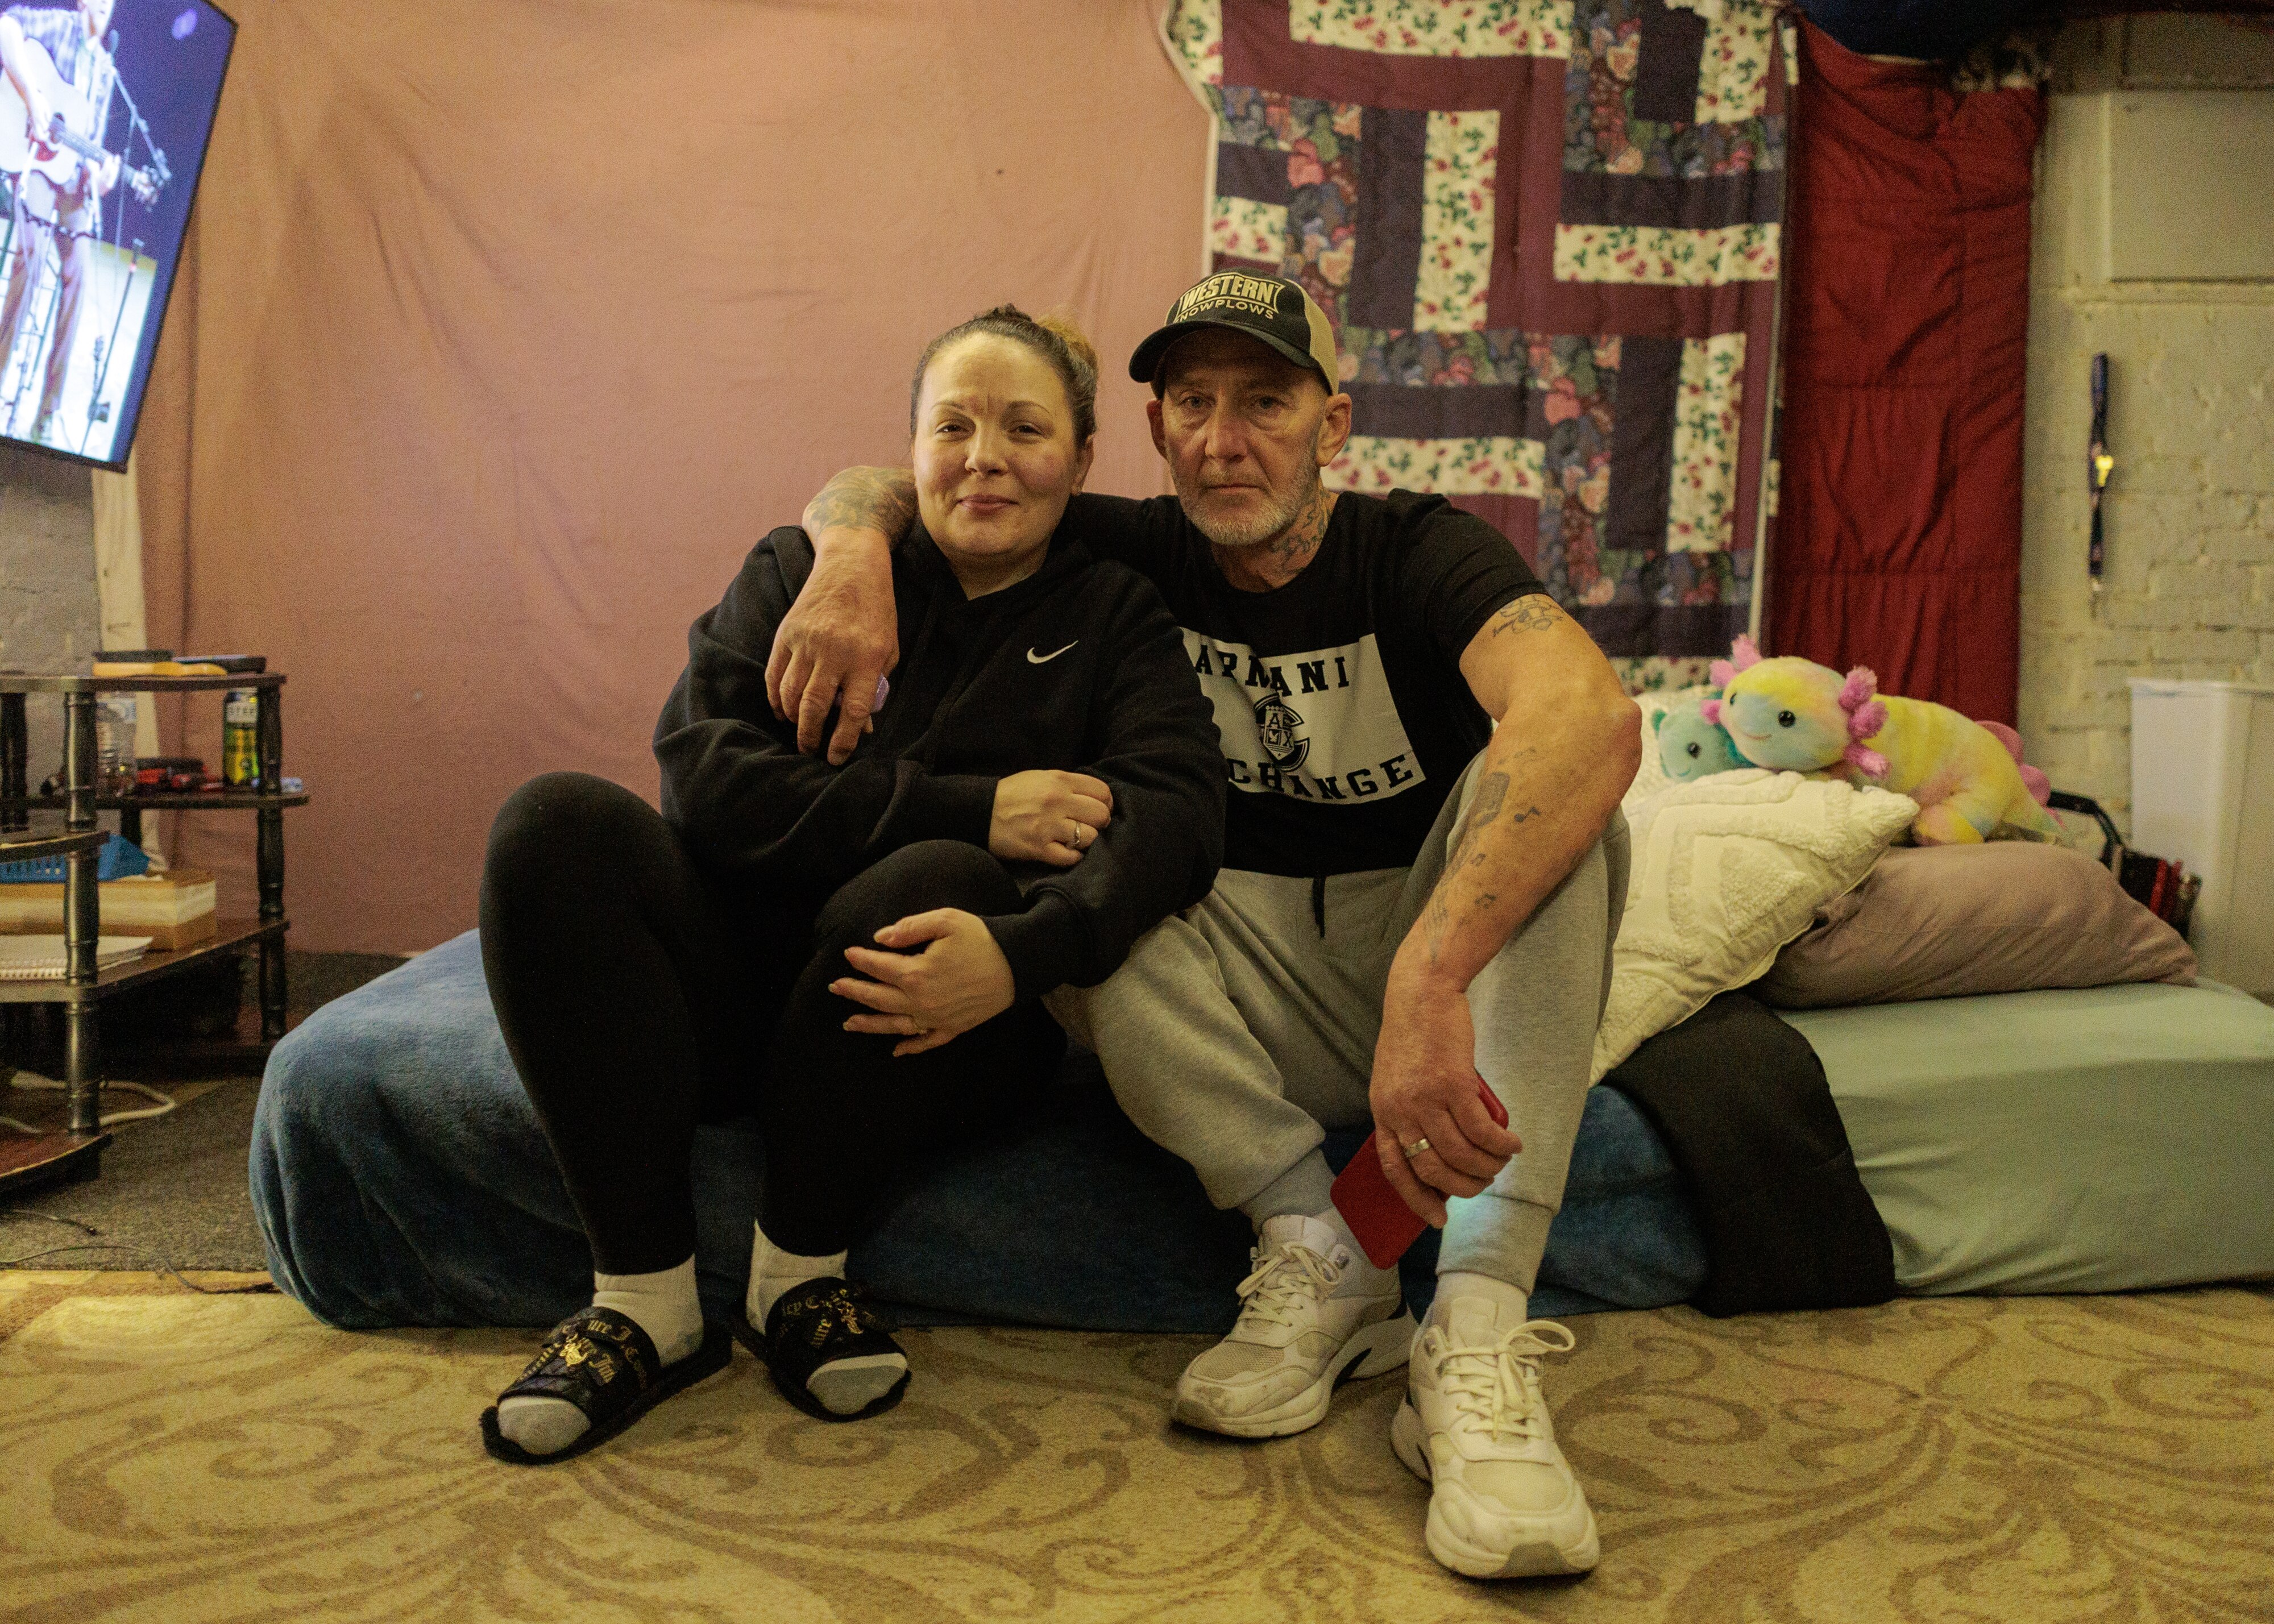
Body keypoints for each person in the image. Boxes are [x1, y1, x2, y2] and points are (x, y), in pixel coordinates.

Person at [770, 273, 1640, 1581]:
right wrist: (845, 562)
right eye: (1194, 402)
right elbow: (899, 477)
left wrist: (1433, 966)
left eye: (1266, 401)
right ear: (1157, 430)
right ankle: (1319, 1250)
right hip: (1234, 983)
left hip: (1431, 991)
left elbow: (1591, 713)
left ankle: (1471, 1323)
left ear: (1331, 421)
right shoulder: (1124, 547)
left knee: (1576, 817)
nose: (1227, 439)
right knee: (1084, 842)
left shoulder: (1417, 551)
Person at [475, 305, 1224, 1463]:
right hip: (735, 995)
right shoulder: (800, 569)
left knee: (934, 879)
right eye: (952, 426)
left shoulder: (1114, 613)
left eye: (1024, 429)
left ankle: (800, 1281)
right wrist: (976, 803)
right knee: (550, 824)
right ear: (907, 449)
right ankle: (642, 1304)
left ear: (1080, 460)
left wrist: (1030, 943)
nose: (983, 458)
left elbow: (1173, 814)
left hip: (936, 1036)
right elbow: (707, 787)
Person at [0, 0, 148, 443]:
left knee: (80, 271)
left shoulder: (107, 70)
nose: (105, 5)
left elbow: (88, 139)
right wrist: (33, 97)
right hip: (33, 161)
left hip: (71, 179)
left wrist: (103, 178)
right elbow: (5, 26)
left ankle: (49, 411)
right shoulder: (57, 26)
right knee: (33, 252)